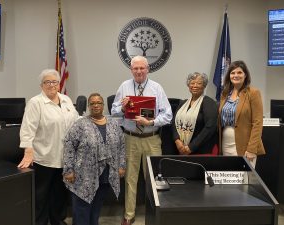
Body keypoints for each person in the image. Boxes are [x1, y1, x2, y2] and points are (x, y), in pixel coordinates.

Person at [111, 55, 172, 225]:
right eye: (135, 68)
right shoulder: (124, 86)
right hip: (130, 138)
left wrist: (151, 121)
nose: (138, 71)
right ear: (131, 70)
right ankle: (129, 215)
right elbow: (113, 111)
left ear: (148, 69)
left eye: (142, 68)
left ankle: (155, 214)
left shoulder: (156, 88)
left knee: (153, 179)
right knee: (130, 179)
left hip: (151, 139)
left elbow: (168, 115)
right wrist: (122, 107)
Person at [18, 69, 78, 225]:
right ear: (41, 85)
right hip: (44, 158)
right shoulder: (35, 103)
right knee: (41, 196)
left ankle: (57, 220)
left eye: (54, 82)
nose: (51, 85)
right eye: (47, 82)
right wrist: (28, 151)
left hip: (65, 158)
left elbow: (77, 121)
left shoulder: (66, 99)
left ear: (59, 84)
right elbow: (27, 129)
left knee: (59, 195)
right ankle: (40, 222)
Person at [63, 93, 126, 225]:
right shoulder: (80, 124)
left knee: (96, 210)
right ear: (89, 106)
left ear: (103, 105)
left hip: (105, 175)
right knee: (82, 210)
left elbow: (121, 145)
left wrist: (121, 166)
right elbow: (69, 145)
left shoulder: (113, 124)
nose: (96, 105)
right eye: (92, 103)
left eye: (99, 103)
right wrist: (69, 170)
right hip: (83, 176)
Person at [218, 60, 265, 167]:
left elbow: (258, 123)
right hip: (225, 143)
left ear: (245, 75)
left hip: (245, 145)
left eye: (239, 72)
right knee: (229, 177)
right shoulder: (225, 94)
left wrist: (252, 148)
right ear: (229, 76)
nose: (236, 75)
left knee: (243, 180)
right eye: (232, 73)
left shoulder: (253, 93)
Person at [172, 72, 218, 155]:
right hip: (180, 149)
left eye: (199, 83)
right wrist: (177, 140)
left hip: (200, 151)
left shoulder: (209, 103)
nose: (195, 86)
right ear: (188, 85)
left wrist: (191, 147)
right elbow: (174, 123)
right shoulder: (182, 103)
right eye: (192, 83)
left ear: (204, 85)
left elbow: (209, 127)